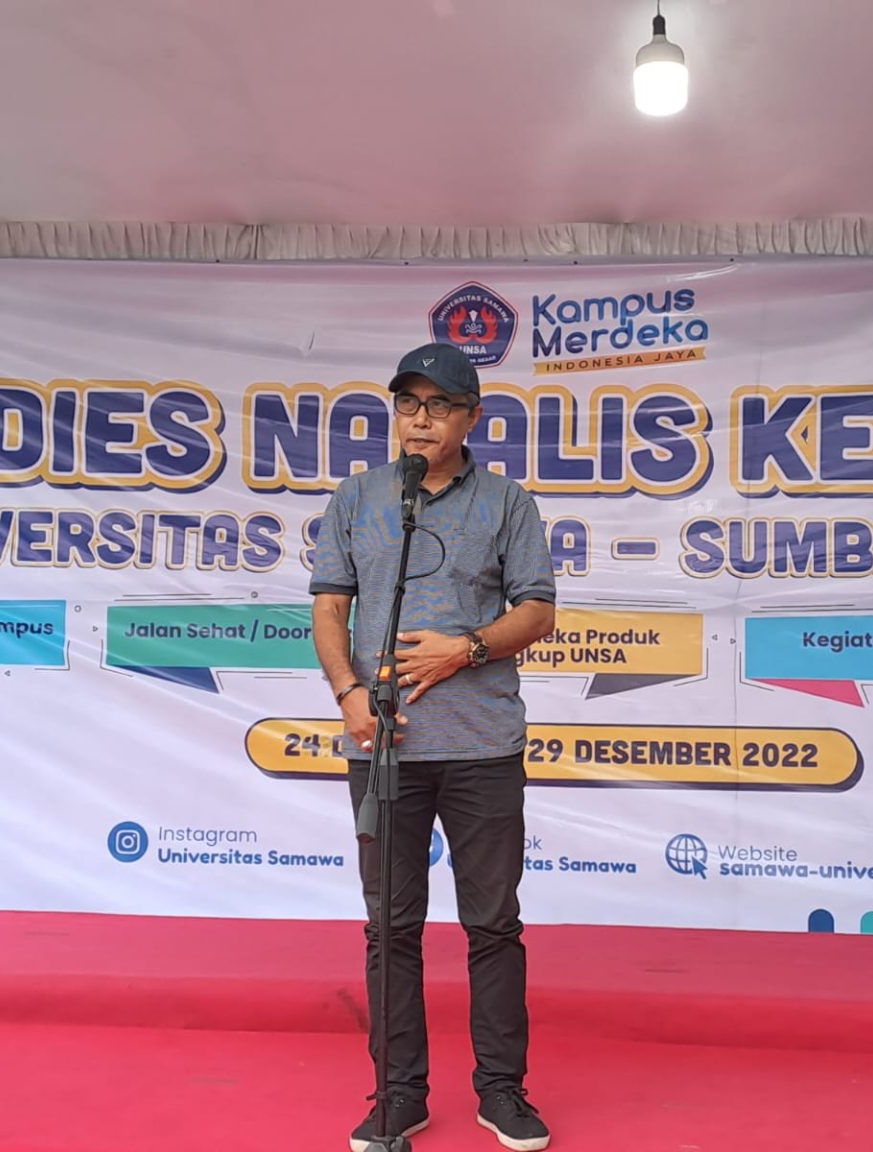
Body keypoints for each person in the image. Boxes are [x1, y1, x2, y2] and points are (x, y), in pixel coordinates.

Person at [310, 342, 557, 1152]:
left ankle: (502, 1091)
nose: (421, 419)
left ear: (470, 418)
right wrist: (349, 695)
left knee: (493, 924)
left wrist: (465, 649)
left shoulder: (507, 503)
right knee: (390, 929)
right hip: (384, 750)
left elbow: (539, 610)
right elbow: (330, 608)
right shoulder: (359, 498)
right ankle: (399, 1096)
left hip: (483, 746)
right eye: (408, 404)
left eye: (440, 405)